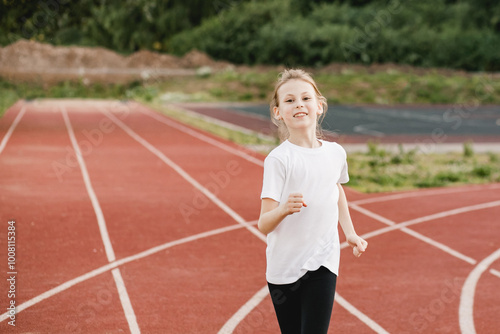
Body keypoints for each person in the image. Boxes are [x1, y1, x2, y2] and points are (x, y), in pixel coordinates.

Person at [258, 69, 368, 334]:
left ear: (319, 106)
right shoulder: (279, 160)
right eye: (289, 100)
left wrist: (350, 232)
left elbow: (336, 189)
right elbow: (263, 224)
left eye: (306, 98)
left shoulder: (335, 153)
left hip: (323, 261)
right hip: (284, 268)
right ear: (278, 112)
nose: (299, 104)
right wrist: (284, 209)